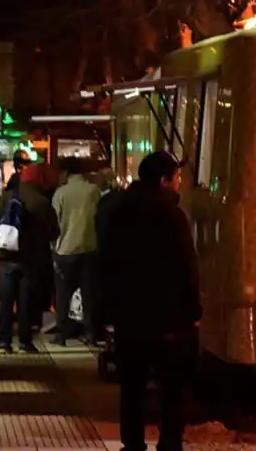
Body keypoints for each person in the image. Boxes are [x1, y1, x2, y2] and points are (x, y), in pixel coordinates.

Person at [101, 151, 201, 451]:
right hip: (169, 320)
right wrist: (193, 311)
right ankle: (169, 444)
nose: (180, 183)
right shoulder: (172, 216)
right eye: (177, 177)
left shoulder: (117, 212)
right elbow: (187, 267)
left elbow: (106, 263)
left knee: (132, 387)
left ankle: (132, 443)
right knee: (174, 389)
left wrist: (107, 310)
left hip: (129, 318)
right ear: (164, 181)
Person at [0, 164, 59, 354]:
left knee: (5, 301)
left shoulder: (6, 197)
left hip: (7, 258)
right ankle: (24, 342)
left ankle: (4, 342)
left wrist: (1, 242)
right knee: (26, 302)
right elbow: (54, 231)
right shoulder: (41, 202)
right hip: (30, 259)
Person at [51, 157, 102, 346]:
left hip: (65, 250)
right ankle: (91, 334)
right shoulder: (94, 191)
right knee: (89, 294)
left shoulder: (61, 193)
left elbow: (54, 222)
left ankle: (61, 335)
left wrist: (53, 247)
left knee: (63, 294)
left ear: (66, 173)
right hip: (89, 248)